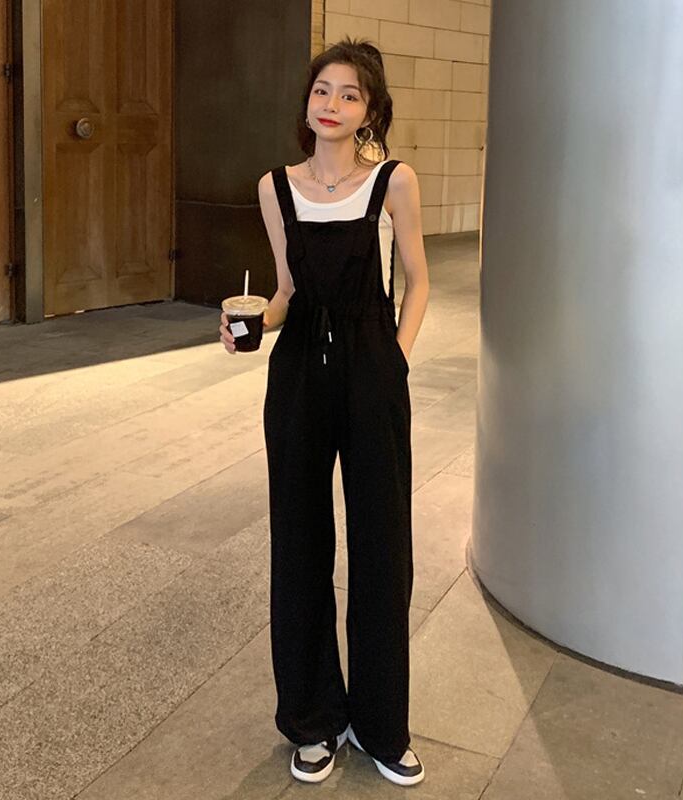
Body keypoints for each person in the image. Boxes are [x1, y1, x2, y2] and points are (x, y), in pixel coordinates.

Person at [219, 37, 430, 786]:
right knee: (299, 543)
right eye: (322, 90)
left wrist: (395, 358)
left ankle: (379, 724)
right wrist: (250, 327)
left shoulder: (393, 182)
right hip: (299, 376)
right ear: (306, 101)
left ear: (369, 110)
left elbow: (417, 281)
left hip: (374, 372)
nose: (332, 104)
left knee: (383, 547)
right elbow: (285, 292)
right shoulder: (274, 186)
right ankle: (312, 720)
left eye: (349, 94)